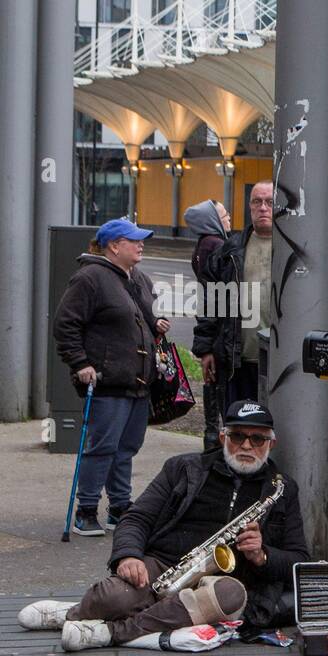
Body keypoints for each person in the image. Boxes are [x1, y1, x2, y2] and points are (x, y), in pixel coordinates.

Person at [17, 401, 309, 653]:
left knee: (229, 595)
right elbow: (136, 517)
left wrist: (263, 556)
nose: (246, 446)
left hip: (223, 584)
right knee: (113, 596)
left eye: (257, 439)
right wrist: (128, 556)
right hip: (165, 565)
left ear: (272, 443)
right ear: (222, 437)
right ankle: (73, 614)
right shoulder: (183, 468)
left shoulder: (281, 490)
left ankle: (108, 633)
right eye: (237, 436)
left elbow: (300, 560)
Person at [53, 218, 171, 536]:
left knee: (126, 448)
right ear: (114, 246)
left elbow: (143, 314)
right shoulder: (89, 278)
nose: (141, 244)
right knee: (102, 447)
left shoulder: (138, 278)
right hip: (106, 380)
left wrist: (156, 321)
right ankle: (86, 511)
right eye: (134, 240)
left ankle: (120, 508)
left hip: (139, 382)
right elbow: (66, 325)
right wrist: (80, 363)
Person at [194, 180, 274, 413]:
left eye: (269, 202)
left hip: (280, 362)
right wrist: (206, 349)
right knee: (237, 424)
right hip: (237, 360)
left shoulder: (295, 248)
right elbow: (210, 302)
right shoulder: (229, 251)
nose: (263, 208)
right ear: (249, 207)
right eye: (257, 202)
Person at [184, 199, 232, 451]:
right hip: (219, 331)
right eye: (224, 214)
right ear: (212, 220)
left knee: (212, 386)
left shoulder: (203, 245)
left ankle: (212, 436)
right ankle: (215, 442)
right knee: (219, 387)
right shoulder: (216, 246)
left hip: (212, 331)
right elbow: (214, 297)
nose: (229, 218)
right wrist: (207, 345)